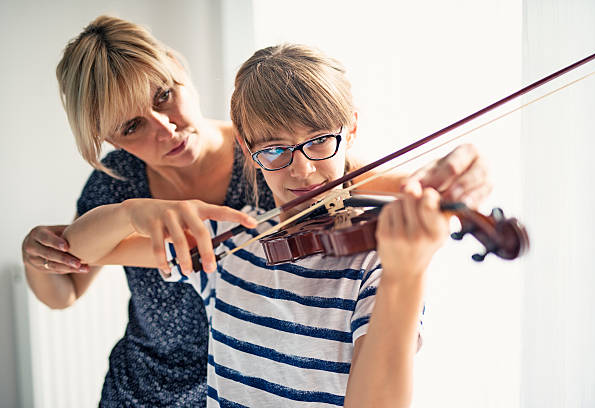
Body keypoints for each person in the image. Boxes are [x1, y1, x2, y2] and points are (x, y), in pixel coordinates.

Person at [21, 16, 491, 407]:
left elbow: (345, 174)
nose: (164, 129)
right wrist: (120, 216)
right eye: (132, 125)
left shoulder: (279, 157)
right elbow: (71, 269)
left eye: (163, 95)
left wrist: (445, 189)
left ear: (178, 69)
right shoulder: (178, 215)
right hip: (146, 390)